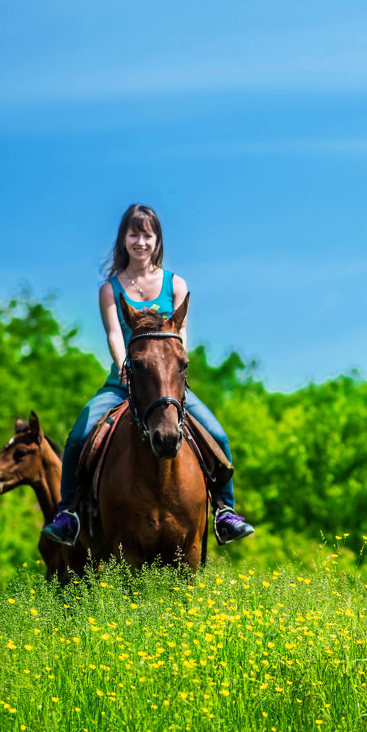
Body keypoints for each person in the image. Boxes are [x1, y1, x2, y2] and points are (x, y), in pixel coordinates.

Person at [42, 204, 255, 547]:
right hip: (122, 383)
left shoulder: (177, 284)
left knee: (218, 434)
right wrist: (125, 367)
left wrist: (175, 371)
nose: (140, 241)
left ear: (157, 240)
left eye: (147, 235)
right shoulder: (110, 289)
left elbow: (181, 335)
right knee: (78, 437)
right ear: (123, 239)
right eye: (134, 234)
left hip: (168, 384)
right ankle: (69, 515)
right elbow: (114, 333)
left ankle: (225, 512)